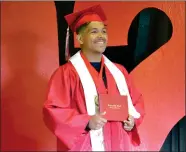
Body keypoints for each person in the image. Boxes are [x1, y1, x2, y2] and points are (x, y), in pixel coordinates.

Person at [43, 4, 145, 151]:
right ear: (80, 38)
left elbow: (136, 101)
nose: (101, 36)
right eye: (94, 31)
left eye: (104, 31)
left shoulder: (119, 72)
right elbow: (53, 110)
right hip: (84, 147)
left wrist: (132, 120)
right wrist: (86, 121)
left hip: (117, 144)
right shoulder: (66, 74)